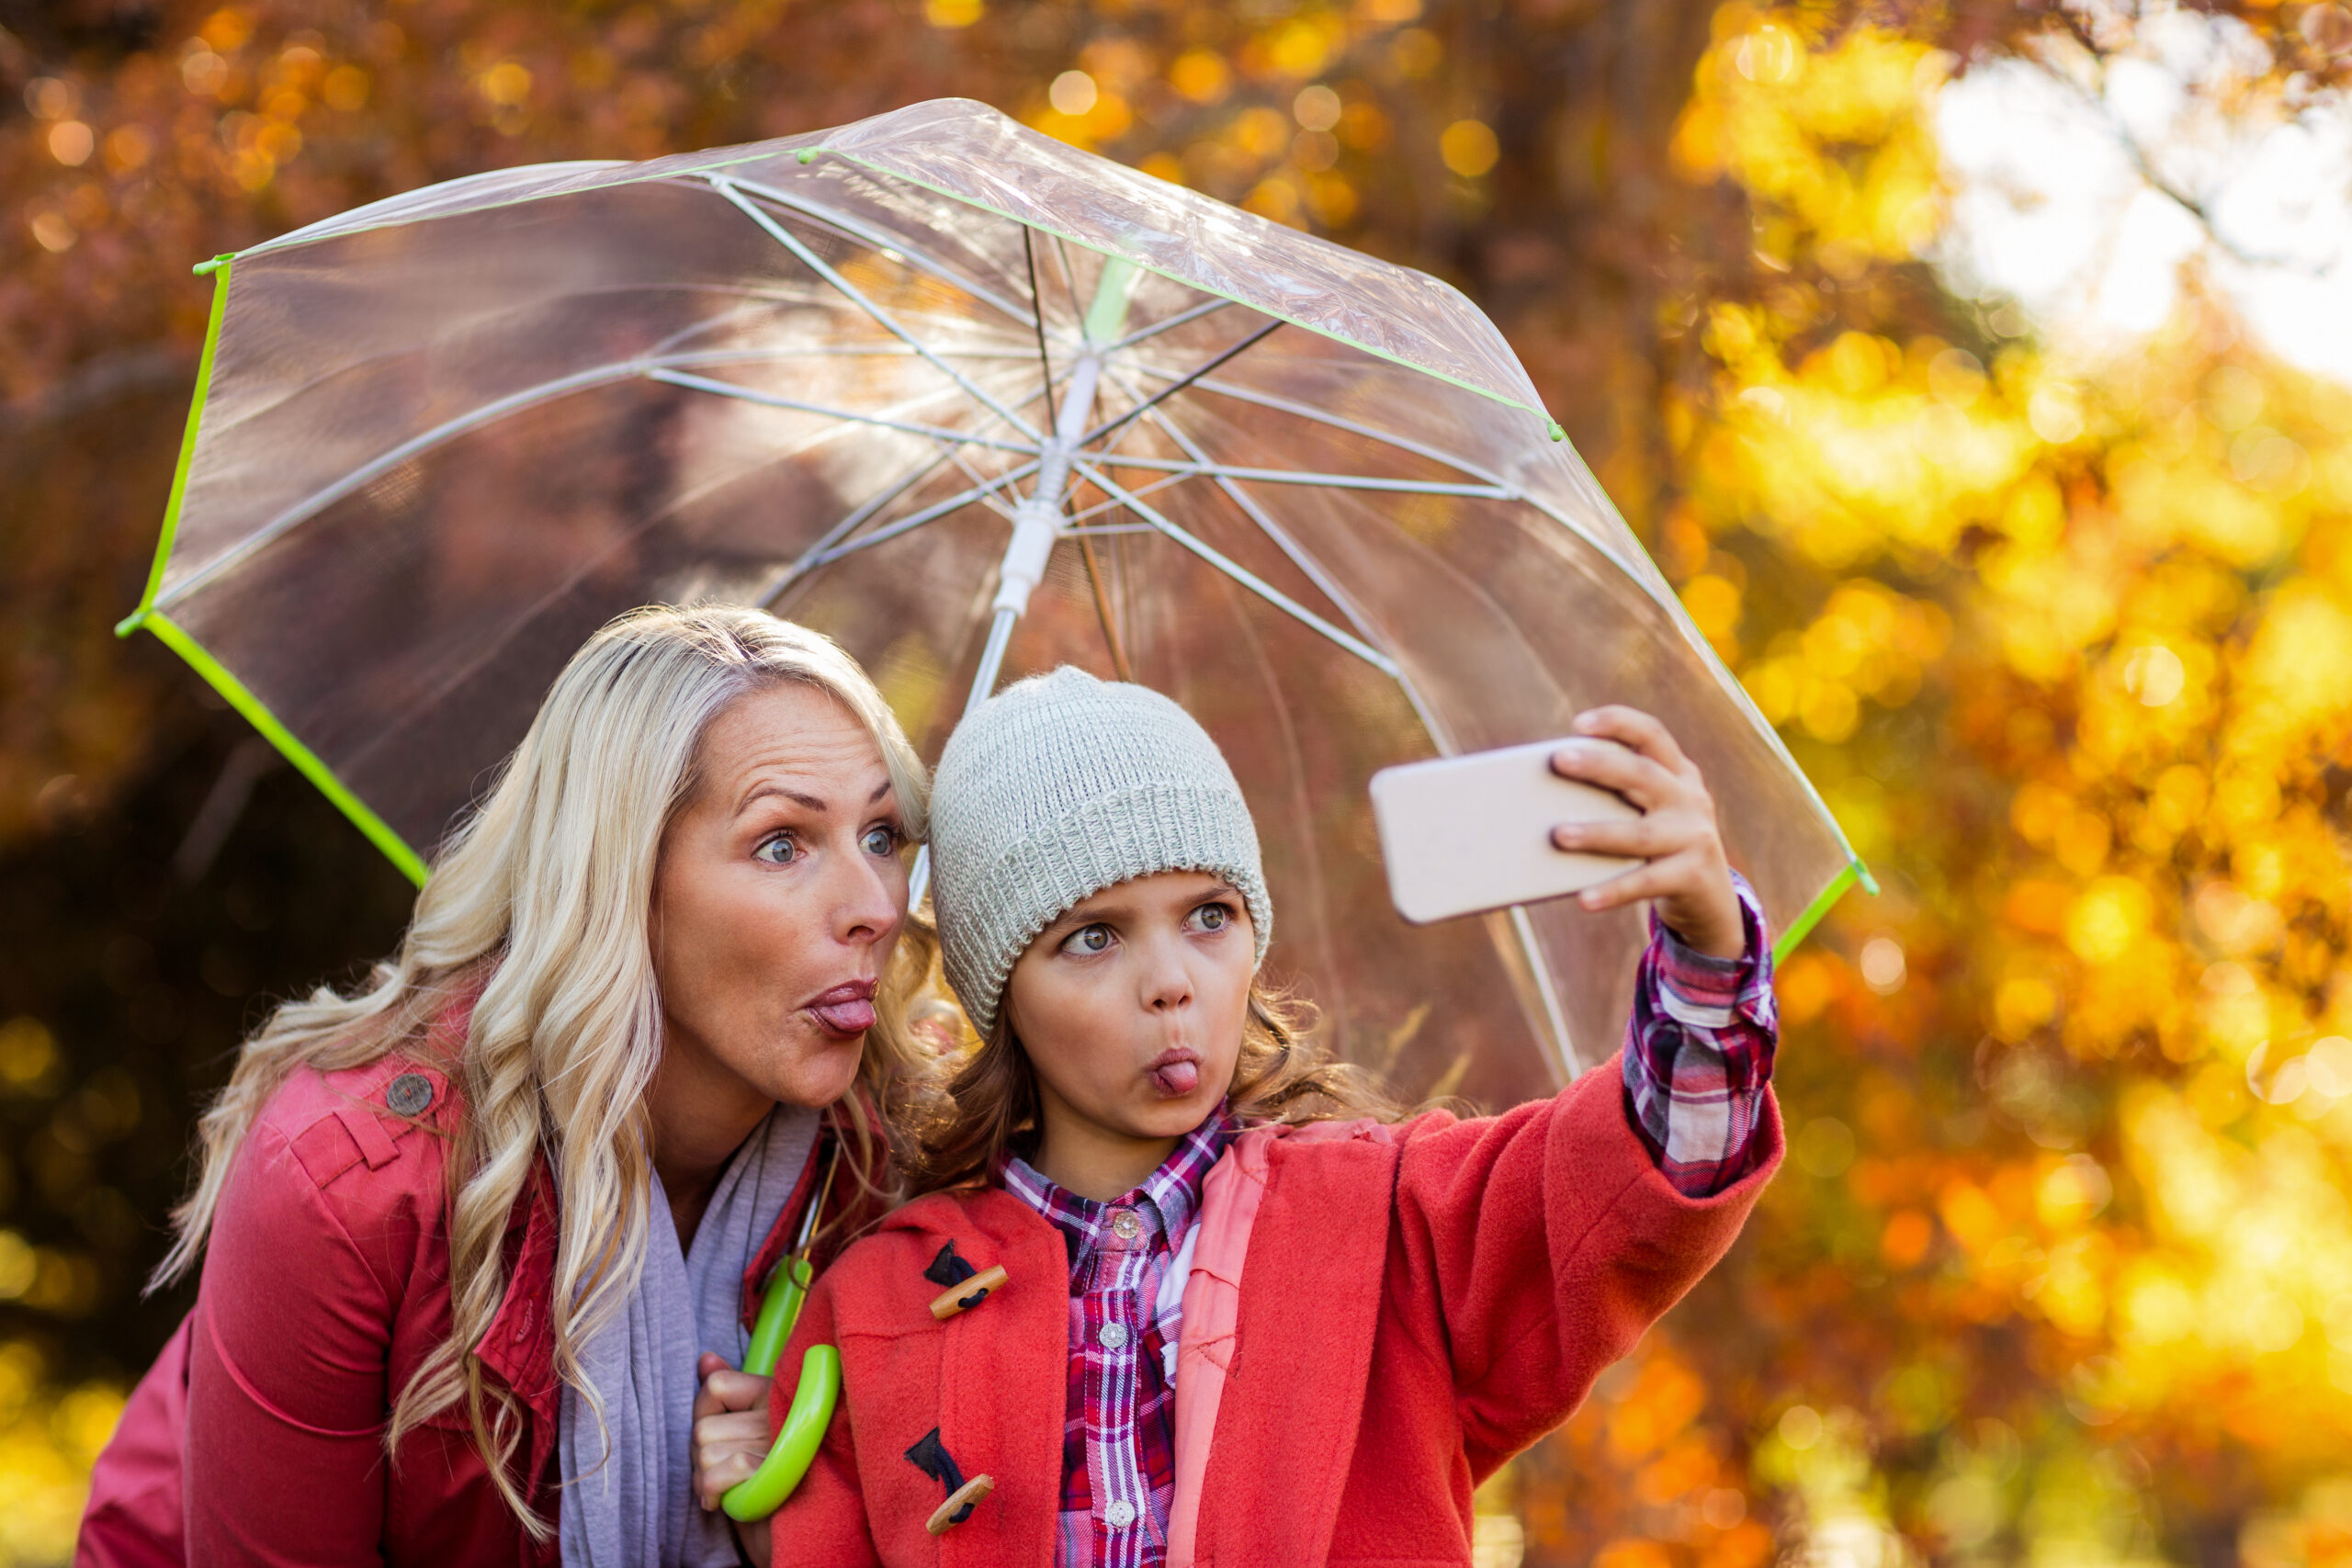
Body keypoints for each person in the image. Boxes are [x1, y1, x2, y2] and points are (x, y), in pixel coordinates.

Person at [736, 667, 1782, 1567]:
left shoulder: (1389, 1222)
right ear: (999, 989)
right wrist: (751, 1505)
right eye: (1094, 938)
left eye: (1208, 917)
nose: (1171, 982)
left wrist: (1703, 945)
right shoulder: (879, 1293)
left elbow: (1638, 1174)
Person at [76, 604, 944, 1568]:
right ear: (618, 879)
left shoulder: (889, 1167)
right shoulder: (347, 1179)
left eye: (882, 834)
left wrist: (805, 1518)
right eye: (782, 843)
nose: (875, 907)